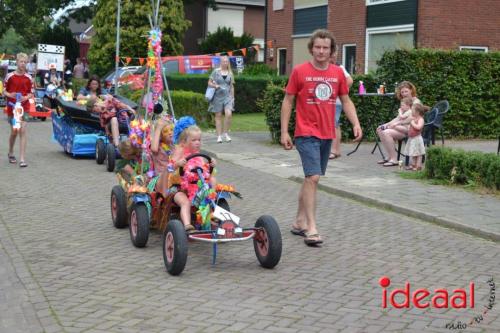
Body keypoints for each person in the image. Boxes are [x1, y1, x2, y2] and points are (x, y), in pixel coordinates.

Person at [280, 29, 362, 246]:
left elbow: (345, 100)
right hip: (306, 133)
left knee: (310, 178)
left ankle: (298, 222)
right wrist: (284, 131)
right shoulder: (299, 71)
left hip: (327, 133)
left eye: (325, 48)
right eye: (317, 47)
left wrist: (355, 123)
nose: (321, 51)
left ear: (331, 50)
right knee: (313, 177)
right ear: (311, 48)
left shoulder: (337, 74)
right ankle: (311, 228)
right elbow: (288, 101)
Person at [170, 117, 216, 231]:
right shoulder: (180, 152)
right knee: (184, 202)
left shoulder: (199, 156)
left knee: (212, 184)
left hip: (197, 187)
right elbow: (170, 167)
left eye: (199, 140)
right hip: (180, 188)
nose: (197, 143)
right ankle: (187, 225)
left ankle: (214, 215)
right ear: (185, 142)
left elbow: (204, 172)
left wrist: (211, 164)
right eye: (194, 140)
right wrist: (178, 163)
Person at [376, 81, 421, 166]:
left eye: (406, 91)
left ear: (411, 90)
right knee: (380, 129)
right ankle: (390, 156)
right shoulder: (405, 101)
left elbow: (412, 117)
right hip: (401, 127)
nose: (404, 94)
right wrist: (386, 124)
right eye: (402, 92)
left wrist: (397, 124)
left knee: (386, 132)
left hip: (411, 129)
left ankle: (394, 159)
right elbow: (398, 117)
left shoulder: (416, 102)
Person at [3, 53, 34, 167]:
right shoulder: (10, 76)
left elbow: (31, 93)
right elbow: (3, 92)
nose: (23, 64)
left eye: (25, 62)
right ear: (17, 62)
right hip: (13, 108)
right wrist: (10, 95)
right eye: (21, 62)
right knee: (14, 131)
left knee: (23, 130)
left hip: (24, 107)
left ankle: (22, 159)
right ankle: (11, 152)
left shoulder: (29, 77)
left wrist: (26, 97)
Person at [329, 51, 353, 160]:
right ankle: (336, 150)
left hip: (336, 101)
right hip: (331, 101)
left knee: (334, 125)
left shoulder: (338, 67)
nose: (334, 56)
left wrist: (337, 90)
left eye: (334, 53)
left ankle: (334, 150)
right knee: (335, 125)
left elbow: (349, 80)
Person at [207, 56, 234, 143]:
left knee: (228, 114)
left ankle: (225, 133)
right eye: (223, 61)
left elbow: (231, 86)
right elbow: (209, 82)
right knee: (218, 116)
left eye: (226, 61)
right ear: (221, 62)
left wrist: (232, 97)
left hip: (227, 97)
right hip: (217, 97)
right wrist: (215, 86)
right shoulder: (216, 71)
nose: (225, 63)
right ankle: (219, 136)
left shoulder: (230, 73)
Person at [150, 116, 175, 195]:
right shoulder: (157, 146)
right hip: (160, 178)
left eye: (171, 130)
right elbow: (154, 149)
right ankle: (165, 199)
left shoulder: (173, 145)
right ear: (160, 135)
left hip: (173, 176)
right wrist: (159, 128)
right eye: (165, 131)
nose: (170, 133)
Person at [404, 103, 428, 171]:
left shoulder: (421, 119)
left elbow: (419, 127)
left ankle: (418, 166)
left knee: (418, 153)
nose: (411, 111)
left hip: (417, 139)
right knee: (413, 153)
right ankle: (413, 165)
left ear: (417, 112)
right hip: (411, 138)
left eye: (412, 110)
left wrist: (413, 123)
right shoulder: (413, 118)